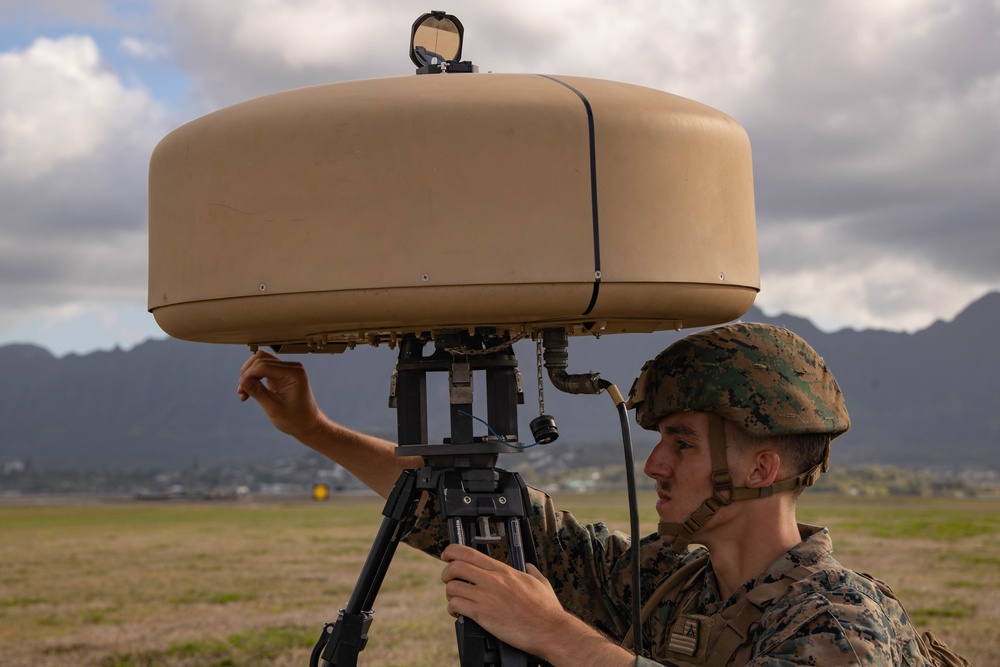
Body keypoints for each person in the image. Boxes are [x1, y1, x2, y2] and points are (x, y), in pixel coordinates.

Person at [238, 322, 933, 666]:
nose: (655, 462)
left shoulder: (839, 622)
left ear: (760, 468)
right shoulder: (673, 582)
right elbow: (473, 509)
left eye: (684, 442)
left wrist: (554, 633)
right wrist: (314, 427)